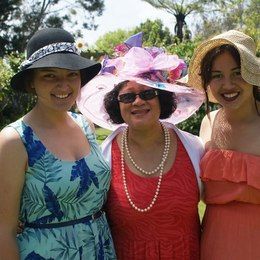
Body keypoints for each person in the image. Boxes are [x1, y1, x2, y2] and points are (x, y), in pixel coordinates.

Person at [77, 32, 205, 259]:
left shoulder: (194, 148)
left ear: (163, 97)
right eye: (127, 97)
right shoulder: (101, 157)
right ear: (116, 105)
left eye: (147, 93)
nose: (138, 102)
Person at [0, 28, 116, 259]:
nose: (64, 85)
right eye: (50, 76)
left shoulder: (86, 126)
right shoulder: (14, 141)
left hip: (100, 249)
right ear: (31, 82)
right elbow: (4, 230)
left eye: (72, 74)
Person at [187, 30, 260, 259]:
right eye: (217, 75)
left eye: (237, 73)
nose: (228, 84)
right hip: (214, 244)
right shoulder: (208, 123)